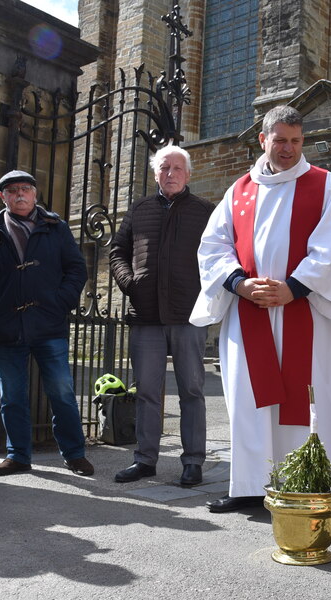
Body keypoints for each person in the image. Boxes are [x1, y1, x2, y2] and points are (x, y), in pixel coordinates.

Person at [190, 105, 331, 513]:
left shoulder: (323, 185)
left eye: (295, 140)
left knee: (308, 398)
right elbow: (212, 246)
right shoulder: (238, 191)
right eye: (280, 140)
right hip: (249, 310)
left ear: (302, 140)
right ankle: (250, 487)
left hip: (305, 311)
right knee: (248, 398)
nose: (288, 148)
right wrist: (239, 283)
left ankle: (307, 483)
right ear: (263, 140)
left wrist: (293, 288)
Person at [0, 170, 92, 477]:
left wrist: (60, 302)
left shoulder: (55, 226)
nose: (20, 194)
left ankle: (74, 453)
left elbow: (76, 269)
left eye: (25, 189)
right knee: (11, 396)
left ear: (35, 194)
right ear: (3, 197)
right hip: (5, 326)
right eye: (12, 191)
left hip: (49, 325)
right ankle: (18, 455)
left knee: (62, 392)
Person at [109, 145, 215, 487]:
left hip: (188, 315)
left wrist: (205, 294)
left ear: (188, 174)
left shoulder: (205, 212)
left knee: (192, 390)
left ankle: (193, 461)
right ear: (155, 173)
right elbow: (117, 251)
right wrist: (129, 282)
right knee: (147, 391)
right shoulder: (139, 208)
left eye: (177, 168)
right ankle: (145, 459)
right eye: (164, 168)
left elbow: (218, 257)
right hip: (146, 314)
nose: (170, 174)